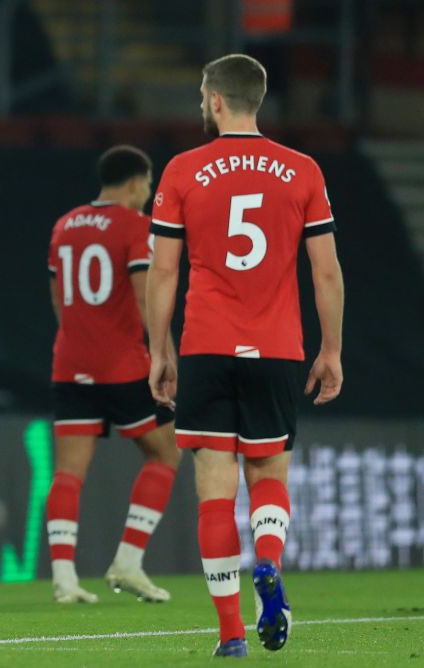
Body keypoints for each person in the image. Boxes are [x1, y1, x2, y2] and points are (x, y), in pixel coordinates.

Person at [146, 54, 343, 657]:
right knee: (268, 474)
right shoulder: (302, 169)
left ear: (214, 100)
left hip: (207, 344)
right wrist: (330, 349)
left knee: (213, 485)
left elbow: (163, 271)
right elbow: (326, 272)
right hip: (279, 348)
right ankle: (269, 560)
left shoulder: (183, 169)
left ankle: (232, 633)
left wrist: (160, 348)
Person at [45, 145, 181, 605]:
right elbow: (147, 298)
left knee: (67, 473)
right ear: (134, 183)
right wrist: (164, 357)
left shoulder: (64, 225)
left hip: (70, 363)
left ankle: (64, 579)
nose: (148, 192)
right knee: (165, 454)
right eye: (148, 183)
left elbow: (57, 297)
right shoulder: (135, 226)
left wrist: (78, 337)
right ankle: (128, 561)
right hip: (122, 365)